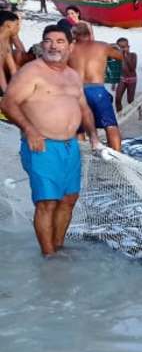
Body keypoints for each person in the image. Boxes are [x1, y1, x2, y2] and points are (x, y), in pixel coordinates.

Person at [1, 24, 101, 256]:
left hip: (70, 146)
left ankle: (58, 248)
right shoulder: (32, 71)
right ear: (42, 44)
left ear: (70, 46)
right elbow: (7, 103)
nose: (53, 45)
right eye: (48, 41)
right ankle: (48, 256)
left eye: (59, 41)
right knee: (47, 202)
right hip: (42, 145)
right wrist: (30, 130)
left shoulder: (72, 75)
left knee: (68, 199)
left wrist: (94, 137)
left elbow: (84, 109)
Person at [69, 21, 123, 150]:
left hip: (76, 91)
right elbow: (119, 56)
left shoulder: (69, 48)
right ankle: (117, 157)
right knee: (110, 125)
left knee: (79, 128)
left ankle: (82, 157)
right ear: (90, 34)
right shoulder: (102, 46)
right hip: (96, 89)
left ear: (74, 35)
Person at [114, 37, 138, 117]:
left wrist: (125, 55)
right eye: (120, 47)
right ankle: (120, 114)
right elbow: (116, 69)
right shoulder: (117, 56)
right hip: (122, 78)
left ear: (128, 47)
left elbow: (132, 68)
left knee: (130, 100)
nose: (122, 49)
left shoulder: (133, 55)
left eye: (124, 47)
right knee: (117, 98)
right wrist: (114, 83)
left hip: (132, 79)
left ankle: (139, 109)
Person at [0, 10, 22, 93]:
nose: (18, 28)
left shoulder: (5, 42)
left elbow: (12, 68)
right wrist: (6, 91)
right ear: (8, 25)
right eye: (16, 24)